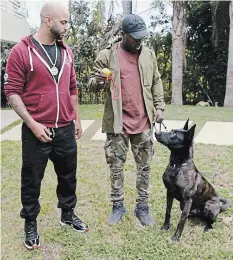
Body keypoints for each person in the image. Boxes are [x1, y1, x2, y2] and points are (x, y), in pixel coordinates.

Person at [4, 1, 88, 250]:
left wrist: (77, 120)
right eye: (64, 22)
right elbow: (12, 92)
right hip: (36, 131)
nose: (67, 26)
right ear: (48, 20)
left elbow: (73, 88)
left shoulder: (67, 52)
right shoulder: (22, 51)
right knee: (31, 180)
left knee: (68, 176)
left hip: (64, 128)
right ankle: (30, 223)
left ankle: (67, 213)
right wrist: (32, 124)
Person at [91, 14, 165, 226]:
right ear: (124, 35)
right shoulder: (107, 55)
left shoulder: (149, 54)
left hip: (143, 122)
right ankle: (117, 205)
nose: (139, 41)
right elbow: (92, 85)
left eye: (142, 37)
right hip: (118, 123)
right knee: (116, 166)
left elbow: (156, 80)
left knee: (145, 167)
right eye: (135, 37)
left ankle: (142, 207)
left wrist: (159, 106)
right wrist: (99, 81)